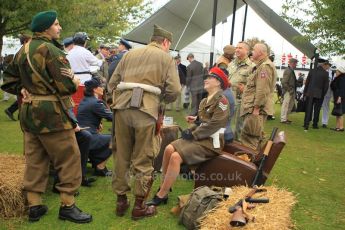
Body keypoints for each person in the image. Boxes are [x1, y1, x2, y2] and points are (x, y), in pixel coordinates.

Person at [1, 10, 92, 223]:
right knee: (69, 158)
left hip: (29, 113)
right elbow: (66, 86)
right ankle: (68, 206)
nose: (59, 28)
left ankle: (35, 205)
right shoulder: (51, 50)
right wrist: (76, 83)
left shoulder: (22, 50)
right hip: (51, 115)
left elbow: (8, 81)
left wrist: (23, 88)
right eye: (56, 24)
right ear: (45, 28)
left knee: (35, 159)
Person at [108, 24, 180, 220]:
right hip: (146, 110)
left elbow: (111, 83)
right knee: (144, 156)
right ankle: (139, 206)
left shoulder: (129, 54)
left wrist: (117, 99)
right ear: (165, 42)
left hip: (122, 109)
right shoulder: (166, 58)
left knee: (121, 154)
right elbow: (174, 90)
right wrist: (160, 99)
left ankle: (121, 202)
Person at [146, 66, 230, 206]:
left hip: (211, 142)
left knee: (175, 157)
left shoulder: (222, 102)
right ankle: (164, 186)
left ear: (219, 82)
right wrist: (191, 128)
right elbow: (202, 122)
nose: (206, 79)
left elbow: (214, 125)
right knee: (168, 149)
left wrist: (192, 134)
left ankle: (161, 195)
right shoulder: (204, 101)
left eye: (210, 77)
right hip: (200, 137)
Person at [240, 43, 276, 151]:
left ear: (261, 52)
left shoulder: (264, 67)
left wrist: (256, 108)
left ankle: (247, 165)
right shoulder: (261, 66)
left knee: (249, 138)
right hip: (254, 108)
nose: (252, 52)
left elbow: (262, 90)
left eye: (254, 50)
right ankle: (255, 163)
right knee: (254, 137)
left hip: (256, 110)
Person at [77, 78, 113, 176]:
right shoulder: (96, 103)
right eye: (100, 86)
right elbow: (112, 117)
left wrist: (98, 124)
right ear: (95, 89)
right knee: (116, 139)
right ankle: (100, 167)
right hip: (89, 137)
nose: (102, 88)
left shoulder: (85, 100)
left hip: (83, 135)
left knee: (106, 137)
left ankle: (97, 162)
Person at [227, 41, 254, 141]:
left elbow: (254, 86)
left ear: (247, 51)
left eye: (240, 48)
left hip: (239, 101)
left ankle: (236, 148)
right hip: (227, 98)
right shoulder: (231, 64)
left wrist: (245, 88)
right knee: (226, 124)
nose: (237, 49)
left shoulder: (252, 66)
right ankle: (226, 144)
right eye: (236, 47)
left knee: (238, 127)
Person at [4, 34, 32, 121]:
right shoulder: (22, 53)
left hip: (22, 84)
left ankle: (14, 112)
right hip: (22, 84)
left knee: (23, 104)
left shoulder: (22, 52)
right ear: (25, 42)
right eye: (30, 41)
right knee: (23, 103)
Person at [303, 58, 330, 131]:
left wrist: (305, 92)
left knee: (309, 108)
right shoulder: (325, 73)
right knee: (317, 109)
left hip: (310, 92)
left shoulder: (312, 71)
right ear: (323, 64)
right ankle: (315, 124)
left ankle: (306, 122)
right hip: (319, 94)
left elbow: (307, 83)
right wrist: (323, 94)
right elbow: (326, 86)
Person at [280, 58, 298, 124]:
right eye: (296, 63)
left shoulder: (290, 70)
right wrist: (289, 90)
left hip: (290, 90)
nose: (296, 65)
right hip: (288, 91)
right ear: (292, 63)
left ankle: (285, 118)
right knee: (286, 105)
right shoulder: (288, 70)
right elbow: (284, 82)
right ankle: (283, 119)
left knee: (289, 105)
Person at [329, 62, 345, 131]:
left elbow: (342, 88)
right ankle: (337, 127)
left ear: (340, 72)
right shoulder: (338, 78)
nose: (335, 72)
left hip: (340, 97)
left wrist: (340, 97)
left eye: (337, 71)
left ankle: (341, 127)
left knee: (340, 112)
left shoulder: (342, 78)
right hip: (337, 96)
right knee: (337, 112)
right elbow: (333, 86)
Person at [321, 63, 334, 128]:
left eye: (328, 65)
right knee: (316, 106)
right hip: (320, 91)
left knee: (326, 107)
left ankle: (324, 122)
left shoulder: (332, 72)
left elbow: (334, 83)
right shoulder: (321, 71)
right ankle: (314, 120)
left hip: (328, 92)